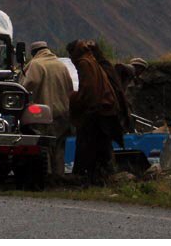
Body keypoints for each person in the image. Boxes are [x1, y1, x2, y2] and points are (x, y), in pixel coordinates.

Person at [66, 39, 123, 184]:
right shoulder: (92, 60)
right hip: (105, 110)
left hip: (96, 111)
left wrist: (74, 98)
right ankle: (103, 176)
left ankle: (88, 177)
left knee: (88, 146)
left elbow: (88, 89)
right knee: (101, 147)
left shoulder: (84, 63)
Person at [18, 41, 73, 180]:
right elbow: (70, 88)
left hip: (43, 114)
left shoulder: (37, 64)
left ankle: (46, 176)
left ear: (34, 53)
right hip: (63, 113)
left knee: (44, 146)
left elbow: (30, 83)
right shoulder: (61, 65)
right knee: (59, 147)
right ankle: (59, 176)